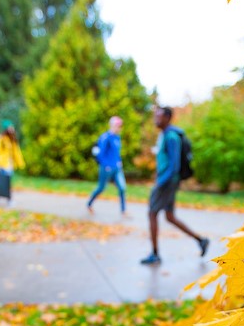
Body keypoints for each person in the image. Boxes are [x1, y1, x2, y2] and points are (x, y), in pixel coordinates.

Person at [141, 106, 209, 265]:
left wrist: (160, 182)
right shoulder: (164, 135)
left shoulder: (171, 136)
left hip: (167, 182)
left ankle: (155, 253)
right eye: (155, 116)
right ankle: (201, 240)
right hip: (168, 181)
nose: (156, 119)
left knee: (152, 213)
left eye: (159, 116)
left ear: (167, 118)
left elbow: (174, 166)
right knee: (169, 217)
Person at [87, 116, 127, 215]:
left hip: (117, 167)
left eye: (120, 126)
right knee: (101, 188)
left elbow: (116, 153)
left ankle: (123, 210)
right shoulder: (106, 137)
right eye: (117, 126)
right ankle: (89, 204)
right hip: (106, 168)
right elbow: (100, 154)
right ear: (112, 125)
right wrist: (105, 165)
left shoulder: (117, 138)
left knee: (122, 188)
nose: (119, 128)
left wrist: (119, 161)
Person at [0, 120, 24, 201]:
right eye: (10, 128)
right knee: (1, 182)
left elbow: (16, 152)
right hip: (1, 164)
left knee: (7, 182)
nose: (12, 129)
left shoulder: (12, 139)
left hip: (9, 164)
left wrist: (20, 163)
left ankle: (8, 198)